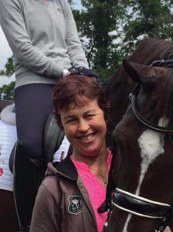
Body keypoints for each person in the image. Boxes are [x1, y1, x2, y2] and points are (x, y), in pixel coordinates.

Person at [0, 1, 95, 231]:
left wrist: (82, 72)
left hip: (72, 79)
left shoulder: (60, 2)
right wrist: (63, 72)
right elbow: (22, 49)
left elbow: (74, 42)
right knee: (32, 143)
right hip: (34, 80)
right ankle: (28, 222)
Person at [30, 75, 111, 232]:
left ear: (105, 114)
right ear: (62, 126)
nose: (83, 127)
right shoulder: (52, 190)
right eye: (71, 120)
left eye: (89, 115)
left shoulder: (133, 173)